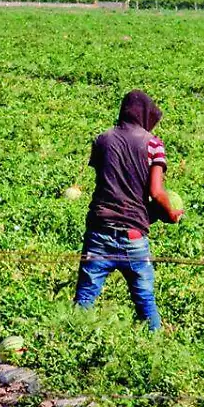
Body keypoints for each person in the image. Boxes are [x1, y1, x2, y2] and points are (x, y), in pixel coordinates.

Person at [74, 90, 183, 330]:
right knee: (145, 301)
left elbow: (108, 182)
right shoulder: (153, 144)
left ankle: (73, 341)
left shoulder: (102, 140)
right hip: (132, 237)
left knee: (84, 300)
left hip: (99, 231)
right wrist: (170, 214)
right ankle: (154, 346)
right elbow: (156, 192)